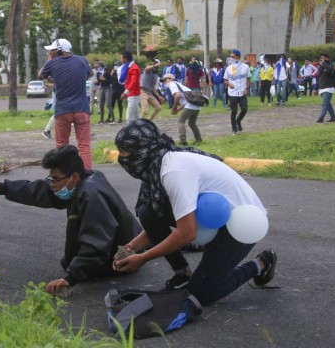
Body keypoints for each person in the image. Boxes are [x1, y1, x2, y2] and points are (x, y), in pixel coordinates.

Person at [112, 119, 277, 307]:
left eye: (124, 152)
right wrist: (131, 248)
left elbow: (187, 232)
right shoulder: (157, 165)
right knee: (147, 212)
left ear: (141, 151)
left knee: (202, 294)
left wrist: (143, 258)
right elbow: (155, 222)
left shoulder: (172, 172)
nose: (121, 157)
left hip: (241, 222)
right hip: (212, 218)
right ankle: (183, 274)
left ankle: (261, 263)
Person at [0, 144, 142, 295]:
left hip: (122, 253)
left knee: (74, 266)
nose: (52, 184)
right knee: (68, 261)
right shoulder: (82, 180)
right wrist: (0, 187)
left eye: (55, 179)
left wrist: (71, 279)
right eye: (50, 179)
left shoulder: (91, 194)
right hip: (112, 244)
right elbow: (38, 191)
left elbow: (97, 241)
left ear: (74, 176)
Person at [39, 38, 93, 170]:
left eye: (52, 51)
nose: (50, 53)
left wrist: (50, 60)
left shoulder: (52, 63)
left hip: (63, 110)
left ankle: (65, 174)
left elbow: (40, 76)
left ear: (58, 51)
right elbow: (90, 73)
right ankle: (87, 175)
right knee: (84, 146)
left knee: (62, 146)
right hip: (82, 109)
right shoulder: (82, 60)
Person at [163, 73, 202, 146]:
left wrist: (174, 108)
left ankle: (183, 141)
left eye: (166, 79)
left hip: (191, 105)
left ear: (171, 79)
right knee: (192, 123)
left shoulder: (172, 84)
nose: (165, 81)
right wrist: (177, 110)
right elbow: (186, 102)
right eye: (164, 80)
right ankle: (198, 139)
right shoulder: (180, 85)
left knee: (180, 121)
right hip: (196, 105)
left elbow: (177, 96)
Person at [224, 49, 251, 134]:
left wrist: (246, 88)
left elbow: (248, 79)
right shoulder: (228, 68)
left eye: (233, 56)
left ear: (238, 57)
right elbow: (225, 79)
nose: (231, 58)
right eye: (230, 57)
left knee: (244, 109)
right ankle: (233, 128)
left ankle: (238, 120)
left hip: (242, 92)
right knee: (234, 111)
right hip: (232, 93)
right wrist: (229, 84)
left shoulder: (245, 67)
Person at [119, 51, 141, 124]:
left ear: (125, 59)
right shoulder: (130, 67)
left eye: (121, 58)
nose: (121, 60)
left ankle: (131, 134)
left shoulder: (134, 68)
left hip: (134, 95)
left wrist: (125, 93)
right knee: (136, 117)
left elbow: (133, 82)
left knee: (129, 117)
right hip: (132, 94)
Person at [315, 53, 335, 123]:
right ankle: (333, 118)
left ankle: (321, 118)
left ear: (327, 58)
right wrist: (316, 88)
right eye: (321, 58)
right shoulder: (321, 67)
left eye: (323, 58)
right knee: (328, 104)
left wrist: (323, 64)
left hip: (328, 88)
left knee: (325, 104)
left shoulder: (331, 65)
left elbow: (331, 69)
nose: (322, 59)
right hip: (322, 88)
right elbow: (318, 77)